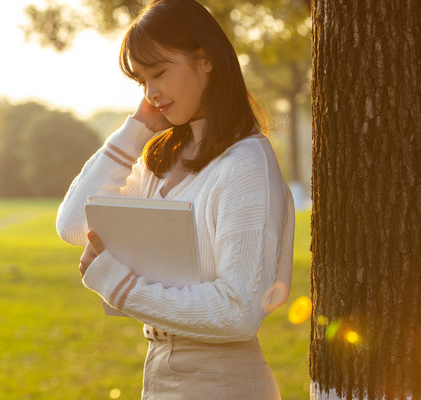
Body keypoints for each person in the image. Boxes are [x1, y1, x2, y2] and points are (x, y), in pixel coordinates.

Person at [56, 0, 295, 398]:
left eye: (159, 72)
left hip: (223, 382)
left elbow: (238, 313)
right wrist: (136, 130)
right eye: (141, 81)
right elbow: (74, 225)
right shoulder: (161, 161)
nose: (151, 93)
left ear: (205, 59)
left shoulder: (246, 164)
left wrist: (121, 286)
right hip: (161, 371)